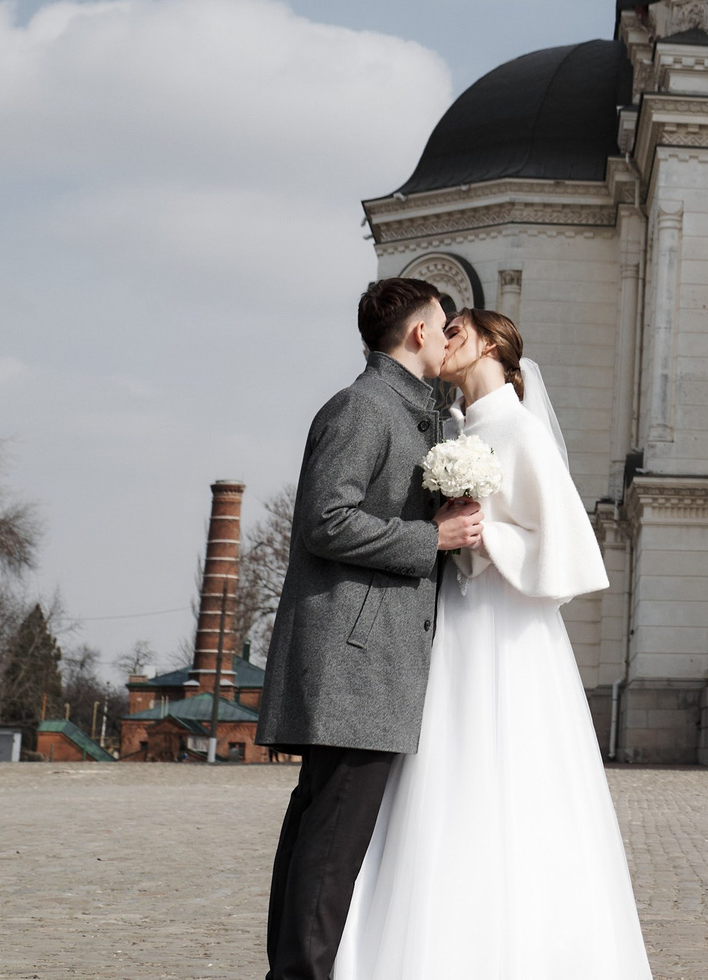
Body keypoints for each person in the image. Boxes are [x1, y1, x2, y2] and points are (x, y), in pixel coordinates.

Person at [334, 308, 651, 980]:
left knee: (507, 768)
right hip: (456, 618)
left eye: (455, 333)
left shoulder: (520, 431)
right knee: (444, 764)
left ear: (488, 346)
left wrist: (489, 536)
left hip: (508, 631)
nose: (441, 342)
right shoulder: (451, 431)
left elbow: (566, 549)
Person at [259, 279, 482, 980]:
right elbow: (325, 520)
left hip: (373, 652)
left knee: (320, 826)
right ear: (418, 333)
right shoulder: (364, 406)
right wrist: (432, 536)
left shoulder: (416, 413)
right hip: (356, 655)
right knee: (331, 836)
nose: (451, 339)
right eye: (445, 327)